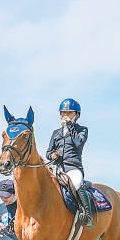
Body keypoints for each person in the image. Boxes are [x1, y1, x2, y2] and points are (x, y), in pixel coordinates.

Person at [46, 98, 94, 228]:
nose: (65, 115)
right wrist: (52, 154)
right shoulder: (55, 133)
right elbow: (48, 152)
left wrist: (70, 126)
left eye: (69, 113)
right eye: (63, 113)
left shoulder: (82, 130)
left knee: (77, 183)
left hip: (73, 167)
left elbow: (78, 144)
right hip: (57, 167)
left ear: (76, 115)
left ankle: (87, 215)